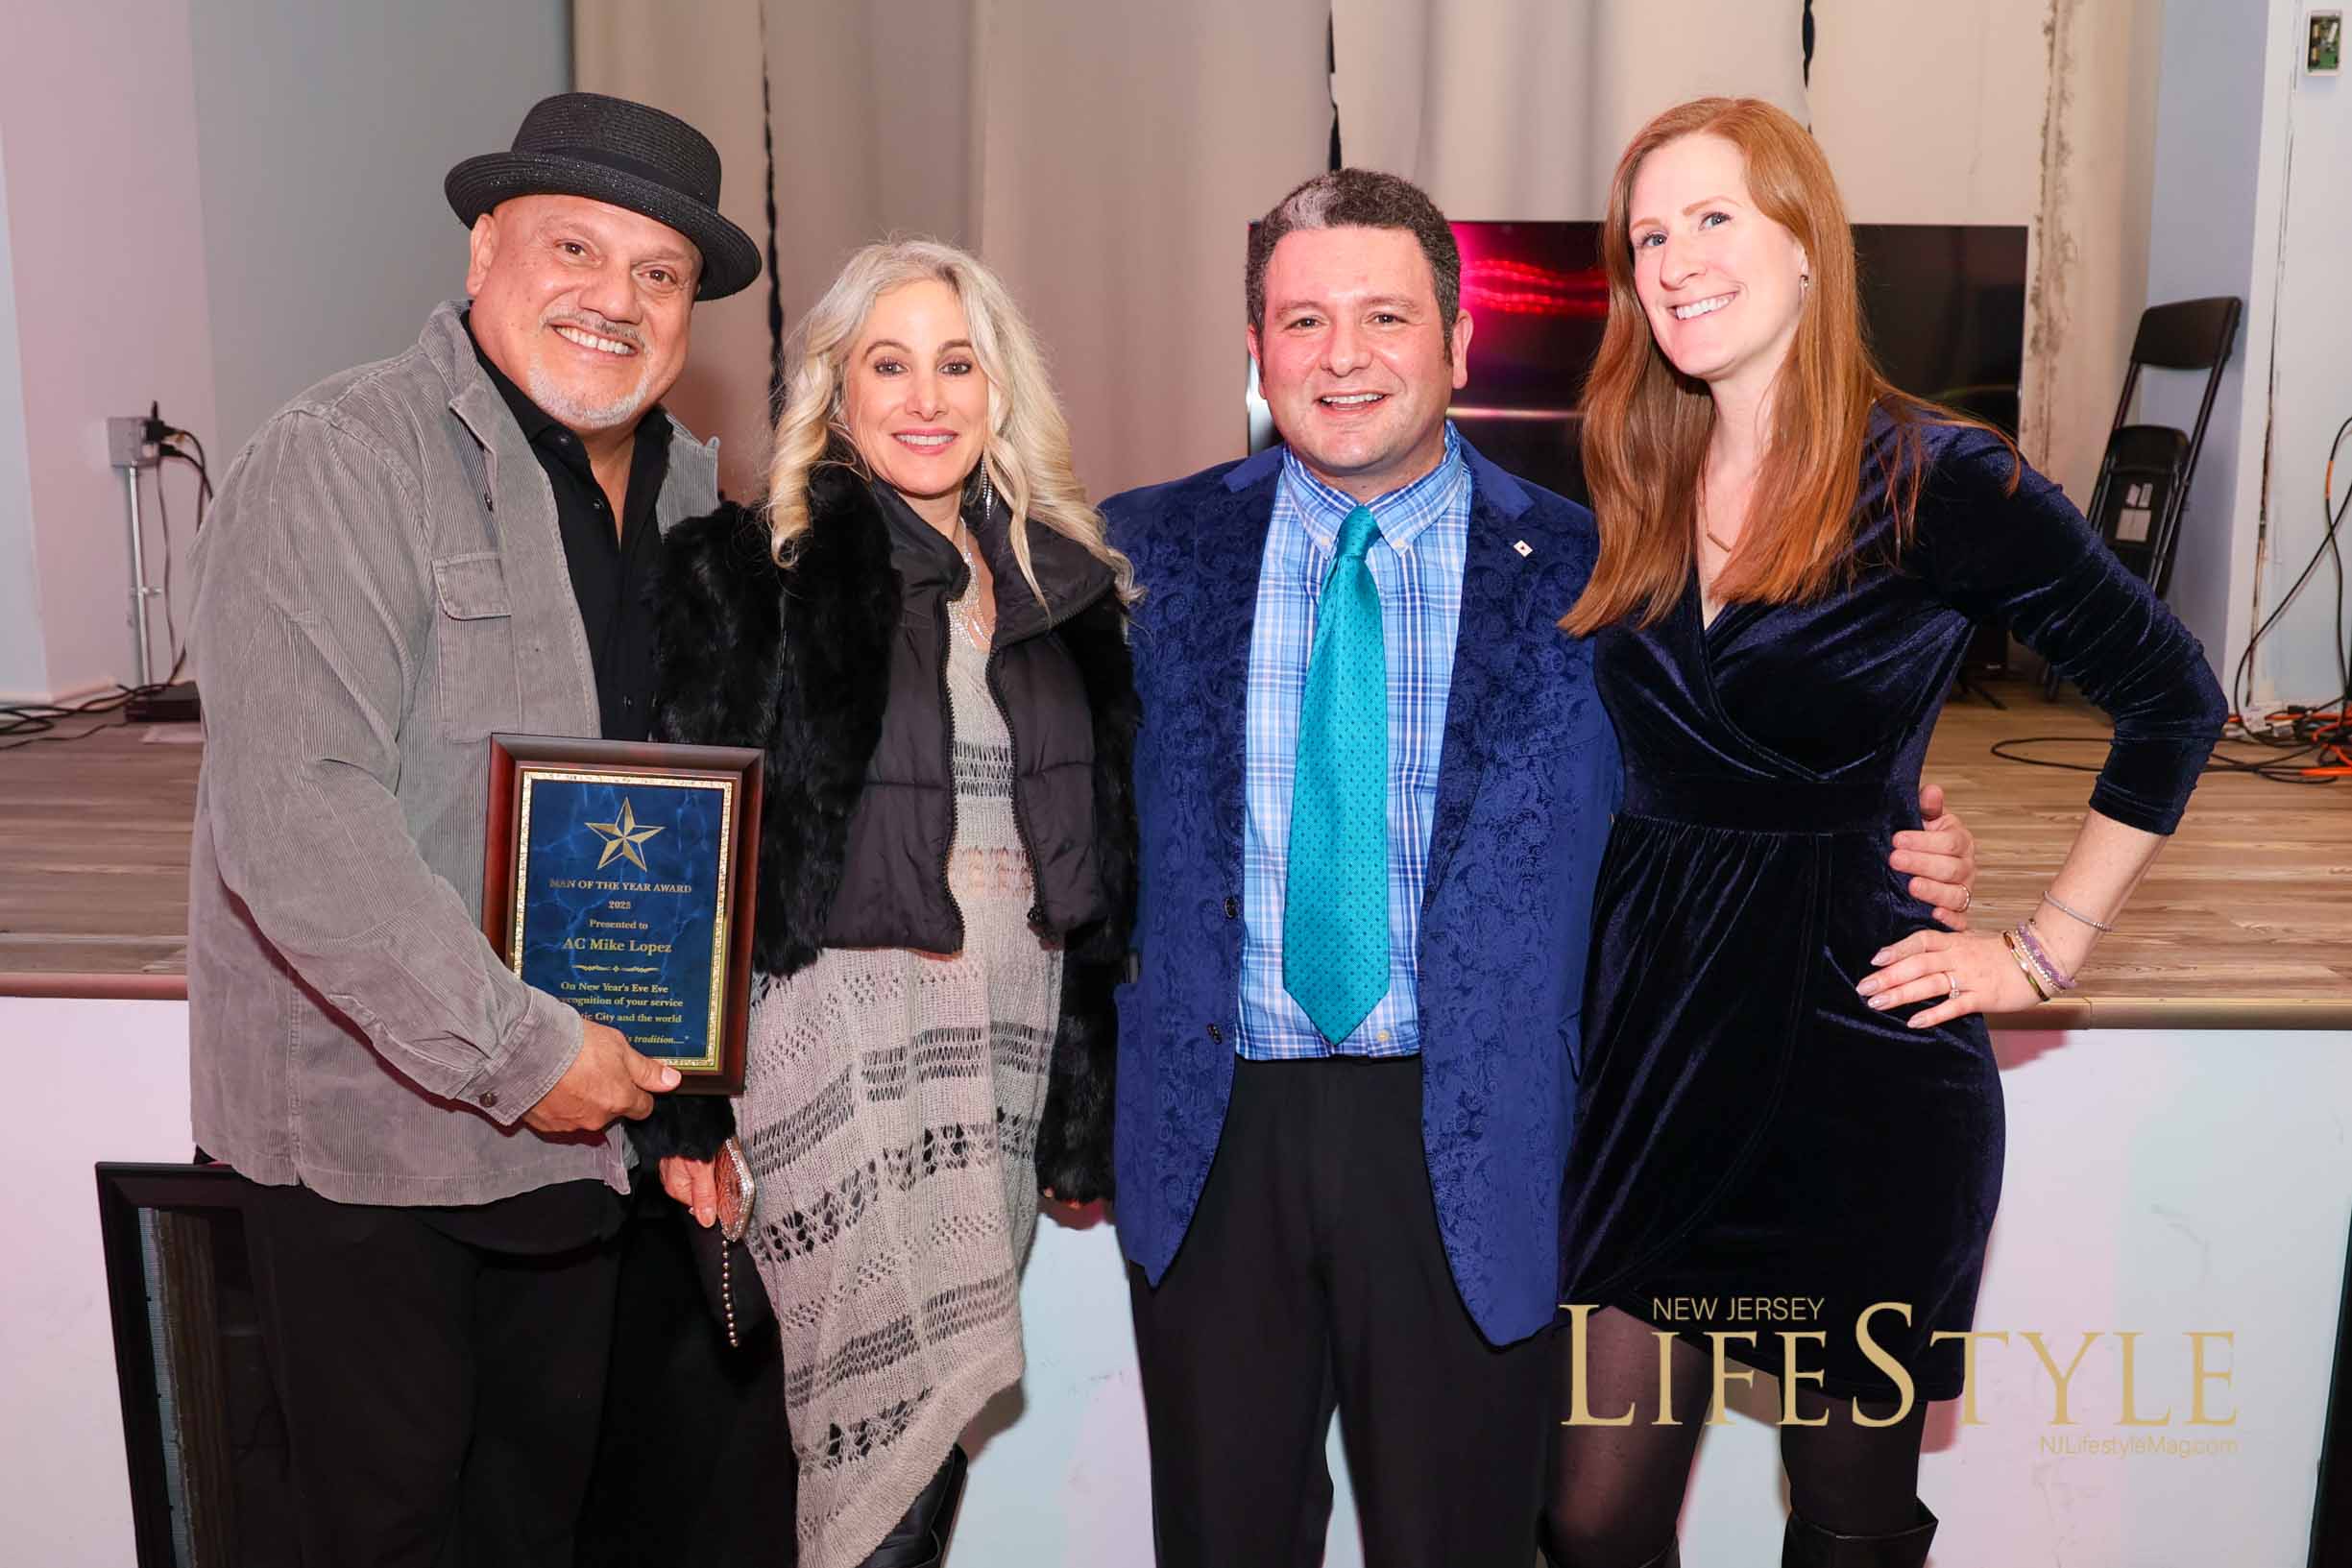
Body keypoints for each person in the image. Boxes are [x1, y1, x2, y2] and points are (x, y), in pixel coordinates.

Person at [1101, 169, 1979, 1568]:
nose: (1342, 355)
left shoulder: (1608, 571)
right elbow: (1041, 795)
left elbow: (1751, 776)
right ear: (1255, 348)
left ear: (1458, 343)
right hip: (1209, 1134)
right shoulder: (1137, 554)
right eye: (1302, 319)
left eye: (1387, 316)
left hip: (1478, 1138)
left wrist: (1897, 834)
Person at [1545, 98, 2228, 1568]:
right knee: (1591, 1521)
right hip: (1654, 1055)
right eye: (1647, 237)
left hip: (1852, 1064)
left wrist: (2040, 950)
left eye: (1711, 218)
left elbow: (2171, 698)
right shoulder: (1634, 470)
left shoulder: (1936, 475)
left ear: (1806, 243)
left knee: (1844, 1524)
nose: (1673, 260)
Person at [185, 92, 763, 1565]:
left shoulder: (694, 495)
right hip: (377, 1162)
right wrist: (523, 1051)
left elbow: (679, 819)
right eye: (575, 248)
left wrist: (682, 1105)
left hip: (579, 1163)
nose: (614, 298)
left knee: (540, 1534)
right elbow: (301, 823)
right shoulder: (341, 460)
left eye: (658, 273)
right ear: (482, 250)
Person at [643, 238, 1137, 1568]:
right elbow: (686, 862)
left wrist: (1081, 1117)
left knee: (932, 1444)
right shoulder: (751, 571)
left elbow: (1093, 872)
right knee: (864, 1457)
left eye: (956, 364)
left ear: (998, 389)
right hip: (832, 1072)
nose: (925, 398)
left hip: (996, 1067)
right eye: (889, 364)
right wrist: (687, 1107)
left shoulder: (1064, 589)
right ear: (837, 389)